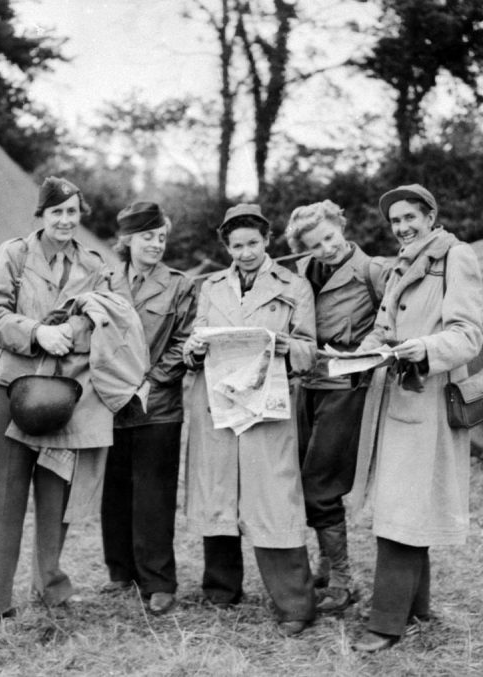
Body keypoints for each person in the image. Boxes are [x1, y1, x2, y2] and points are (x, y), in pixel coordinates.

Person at [0, 176, 147, 622]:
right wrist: (37, 332)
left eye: (72, 212)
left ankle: (50, 588)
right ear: (42, 215)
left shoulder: (96, 261)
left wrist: (75, 330)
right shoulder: (14, 254)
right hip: (15, 389)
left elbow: (118, 315)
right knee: (5, 497)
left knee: (57, 496)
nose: (65, 220)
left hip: (70, 395)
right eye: (57, 212)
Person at [348, 184, 483, 652]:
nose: (403, 227)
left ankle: (385, 623)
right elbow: (385, 326)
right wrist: (367, 348)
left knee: (403, 509)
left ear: (431, 216)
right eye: (396, 221)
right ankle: (417, 606)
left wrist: (425, 348)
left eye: (410, 218)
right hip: (394, 400)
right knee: (402, 502)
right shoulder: (403, 262)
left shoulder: (456, 257)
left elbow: (468, 334)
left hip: (427, 402)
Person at [183, 203, 317, 636]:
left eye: (253, 244)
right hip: (218, 400)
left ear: (267, 241)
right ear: (226, 246)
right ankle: (221, 588)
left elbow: (309, 351)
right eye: (236, 246)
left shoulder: (293, 286)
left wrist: (280, 346)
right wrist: (195, 350)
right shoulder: (211, 287)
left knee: (273, 495)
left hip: (266, 403)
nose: (245, 253)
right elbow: (193, 339)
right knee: (219, 488)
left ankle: (294, 604)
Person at [284, 200, 390, 612]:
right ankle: (328, 566)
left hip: (347, 387)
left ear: (340, 226)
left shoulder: (372, 271)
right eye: (315, 244)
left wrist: (366, 351)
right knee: (305, 477)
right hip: (309, 384)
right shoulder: (304, 273)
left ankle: (345, 581)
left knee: (321, 483)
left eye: (329, 237)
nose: (326, 248)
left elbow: (393, 319)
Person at [100, 201, 196, 615]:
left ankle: (159, 581)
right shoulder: (104, 281)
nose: (156, 244)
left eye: (161, 237)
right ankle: (121, 572)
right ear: (127, 241)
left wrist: (152, 381)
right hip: (109, 403)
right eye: (147, 237)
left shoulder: (180, 285)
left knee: (154, 494)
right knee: (115, 489)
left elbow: (186, 339)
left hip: (158, 405)